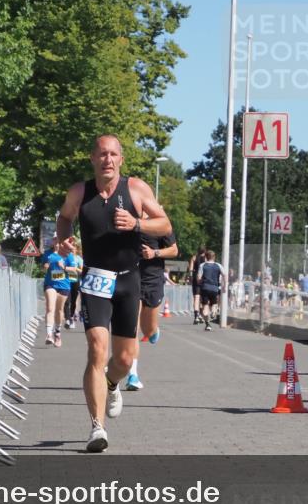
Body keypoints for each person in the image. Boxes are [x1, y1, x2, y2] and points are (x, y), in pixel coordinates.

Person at [57, 134, 173, 453]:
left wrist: (137, 224)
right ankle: (97, 428)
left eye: (113, 154)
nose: (107, 159)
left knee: (124, 358)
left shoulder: (136, 189)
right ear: (92, 158)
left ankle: (111, 383)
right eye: (102, 154)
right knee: (97, 349)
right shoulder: (79, 192)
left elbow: (164, 225)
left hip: (128, 281)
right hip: (95, 279)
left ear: (121, 159)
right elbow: (64, 218)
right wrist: (64, 239)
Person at [126, 215, 179, 390]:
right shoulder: (127, 218)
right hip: (131, 278)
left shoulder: (160, 223)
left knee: (147, 330)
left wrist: (154, 253)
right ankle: (132, 374)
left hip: (152, 279)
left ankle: (153, 330)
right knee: (132, 328)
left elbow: (174, 250)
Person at [42, 238, 77, 347]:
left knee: (59, 310)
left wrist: (64, 267)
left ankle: (57, 333)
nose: (57, 242)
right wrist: (45, 267)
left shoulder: (68, 254)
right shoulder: (48, 254)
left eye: (59, 240)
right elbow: (43, 269)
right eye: (55, 240)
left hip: (63, 286)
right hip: (50, 284)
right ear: (53, 242)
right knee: (50, 308)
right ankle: (49, 334)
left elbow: (74, 269)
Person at [197, 250, 225, 331]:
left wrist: (199, 282)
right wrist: (224, 286)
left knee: (205, 306)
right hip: (214, 288)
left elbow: (199, 278)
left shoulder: (202, 265)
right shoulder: (218, 265)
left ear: (206, 257)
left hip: (205, 288)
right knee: (214, 304)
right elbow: (225, 275)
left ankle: (208, 324)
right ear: (214, 257)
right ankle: (213, 312)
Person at [63, 242, 83, 329]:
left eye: (74, 248)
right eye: (71, 248)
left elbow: (82, 271)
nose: (72, 249)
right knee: (67, 301)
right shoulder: (66, 257)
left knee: (73, 301)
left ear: (76, 249)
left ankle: (71, 316)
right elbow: (62, 268)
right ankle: (67, 319)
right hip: (66, 281)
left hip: (75, 281)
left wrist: (75, 269)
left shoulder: (78, 258)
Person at [189, 247, 206, 324]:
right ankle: (201, 316)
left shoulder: (194, 257)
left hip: (196, 278)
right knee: (202, 298)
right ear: (205, 251)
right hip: (204, 278)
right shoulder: (206, 258)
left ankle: (196, 316)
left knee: (196, 297)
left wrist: (190, 278)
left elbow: (191, 269)